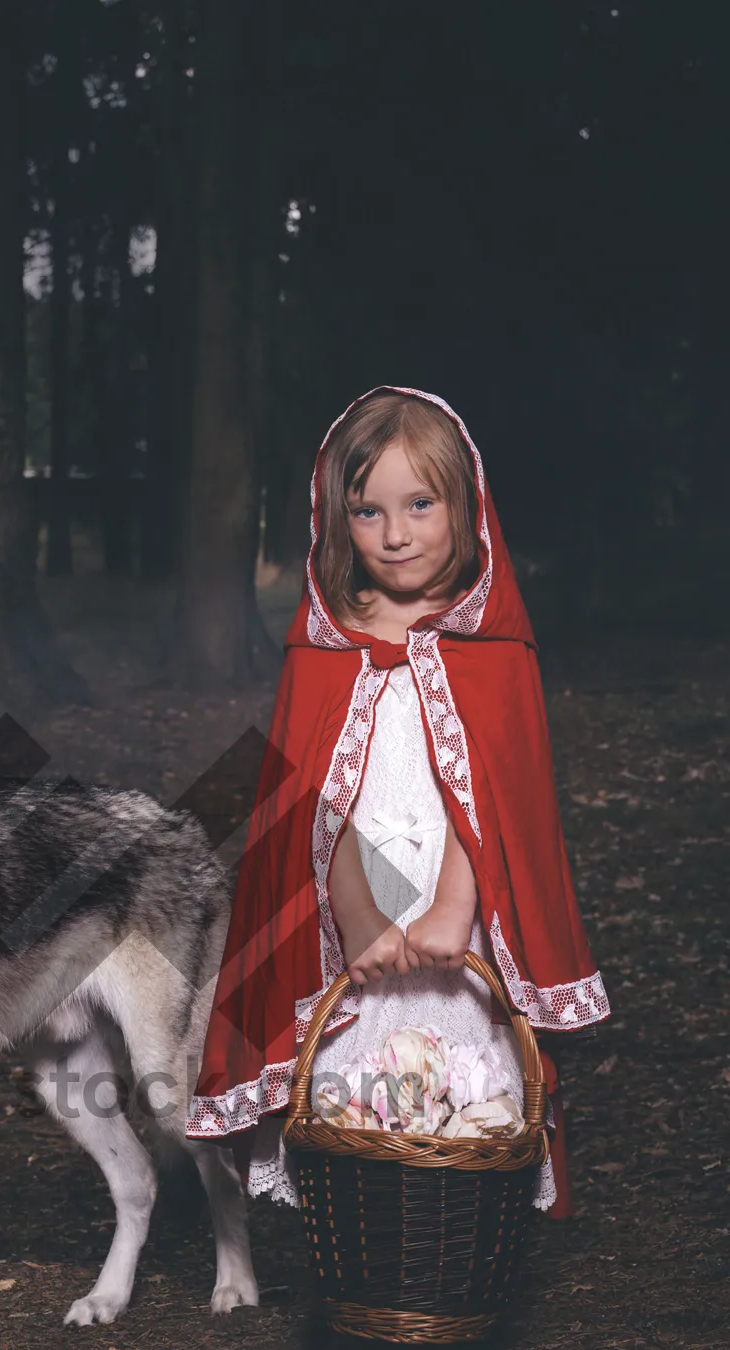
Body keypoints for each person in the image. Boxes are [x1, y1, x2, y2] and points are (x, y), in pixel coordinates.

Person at [186, 387, 608, 1222]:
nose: (396, 533)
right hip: (353, 920)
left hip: (456, 911)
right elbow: (303, 794)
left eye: (420, 503)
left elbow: (496, 791)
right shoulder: (325, 637)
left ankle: (451, 1293)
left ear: (466, 504)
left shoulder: (492, 641)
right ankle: (367, 1298)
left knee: (464, 1099)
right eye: (367, 511)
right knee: (356, 1103)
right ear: (338, 520)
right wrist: (356, 907)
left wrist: (458, 902)